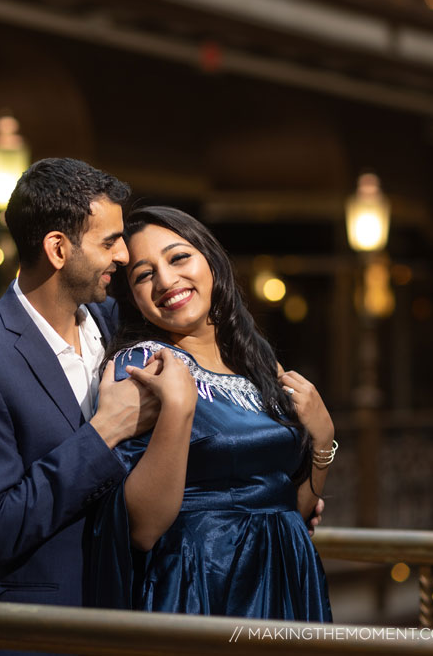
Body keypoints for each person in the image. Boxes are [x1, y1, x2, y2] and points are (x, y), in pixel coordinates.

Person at [0, 158, 161, 655]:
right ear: (58, 249)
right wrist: (101, 435)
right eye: (109, 241)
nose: (123, 255)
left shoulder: (116, 324)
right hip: (37, 635)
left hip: (134, 617)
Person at [89, 206, 334, 621]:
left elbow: (294, 507)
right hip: (200, 582)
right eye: (144, 275)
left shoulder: (256, 357)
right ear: (131, 297)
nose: (166, 281)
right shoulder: (144, 366)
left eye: (178, 257)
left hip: (288, 571)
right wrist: (178, 410)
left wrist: (324, 440)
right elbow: (143, 529)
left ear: (211, 260)